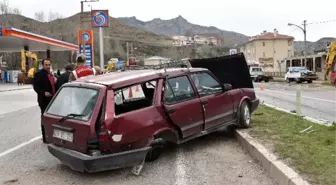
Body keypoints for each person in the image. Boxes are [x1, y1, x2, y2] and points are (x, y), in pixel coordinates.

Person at [33, 59, 56, 143]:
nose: (48, 66)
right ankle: (45, 137)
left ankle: (51, 135)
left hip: (52, 99)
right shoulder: (39, 74)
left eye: (49, 64)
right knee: (44, 118)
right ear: (43, 65)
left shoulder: (50, 74)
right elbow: (35, 87)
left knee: (52, 119)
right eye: (46, 65)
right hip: (44, 100)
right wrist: (43, 93)